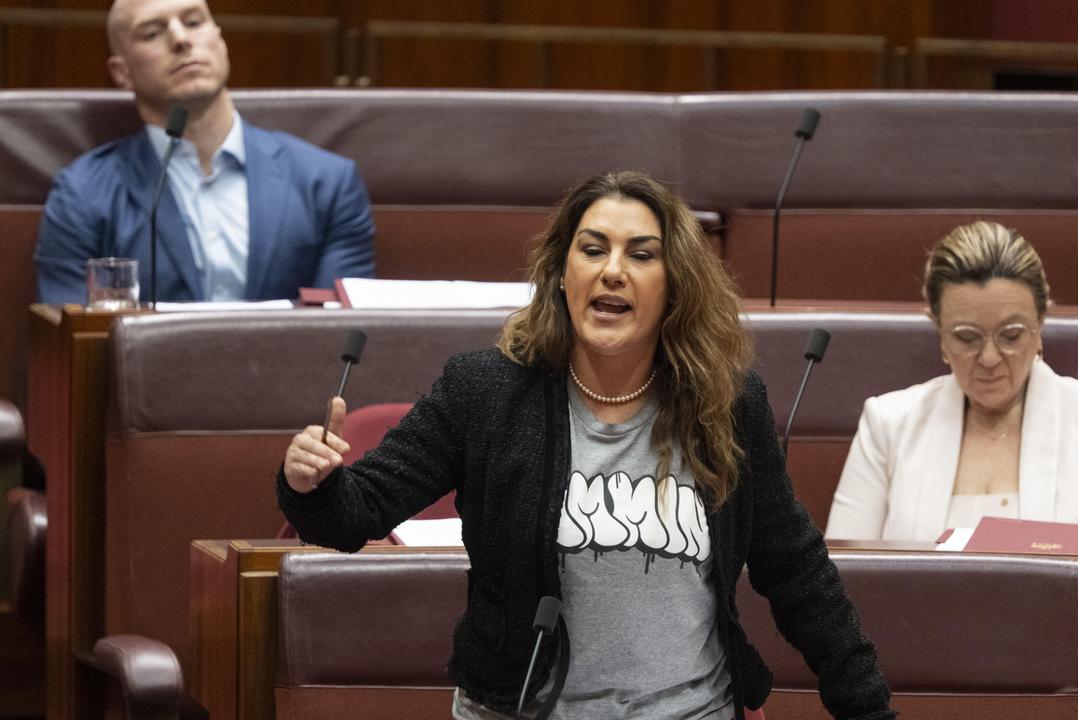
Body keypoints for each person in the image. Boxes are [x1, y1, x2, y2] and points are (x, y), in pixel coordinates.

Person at [279, 171, 895, 719]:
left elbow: (793, 568)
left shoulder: (727, 403)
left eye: (641, 254)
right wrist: (313, 481)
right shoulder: (486, 391)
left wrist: (865, 706)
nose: (612, 270)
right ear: (561, 271)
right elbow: (356, 512)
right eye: (592, 249)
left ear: (676, 282)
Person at [825, 221, 1078, 629]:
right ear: (937, 330)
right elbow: (840, 577)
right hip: (920, 667)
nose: (989, 358)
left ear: (1040, 324)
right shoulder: (889, 423)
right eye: (967, 337)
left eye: (1010, 335)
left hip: (1073, 674)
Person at [35, 0, 375, 305]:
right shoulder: (82, 194)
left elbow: (341, 337)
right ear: (122, 72)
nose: (181, 39)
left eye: (194, 22)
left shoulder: (326, 183)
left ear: (221, 41)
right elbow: (72, 347)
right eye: (152, 33)